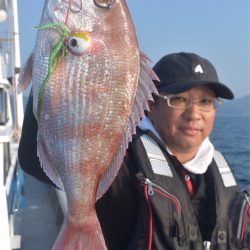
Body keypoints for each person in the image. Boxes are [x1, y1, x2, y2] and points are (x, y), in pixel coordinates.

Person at [18, 52, 250, 250]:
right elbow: (34, 163)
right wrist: (50, 65)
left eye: (205, 102)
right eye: (178, 99)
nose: (194, 113)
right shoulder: (122, 159)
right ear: (150, 106)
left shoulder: (218, 168)